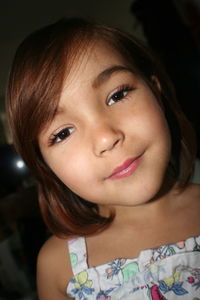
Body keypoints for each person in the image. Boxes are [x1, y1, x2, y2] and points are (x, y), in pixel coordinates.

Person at [6, 18, 200, 300]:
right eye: (62, 133)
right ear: (45, 165)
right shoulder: (57, 269)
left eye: (118, 95)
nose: (106, 138)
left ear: (155, 89)